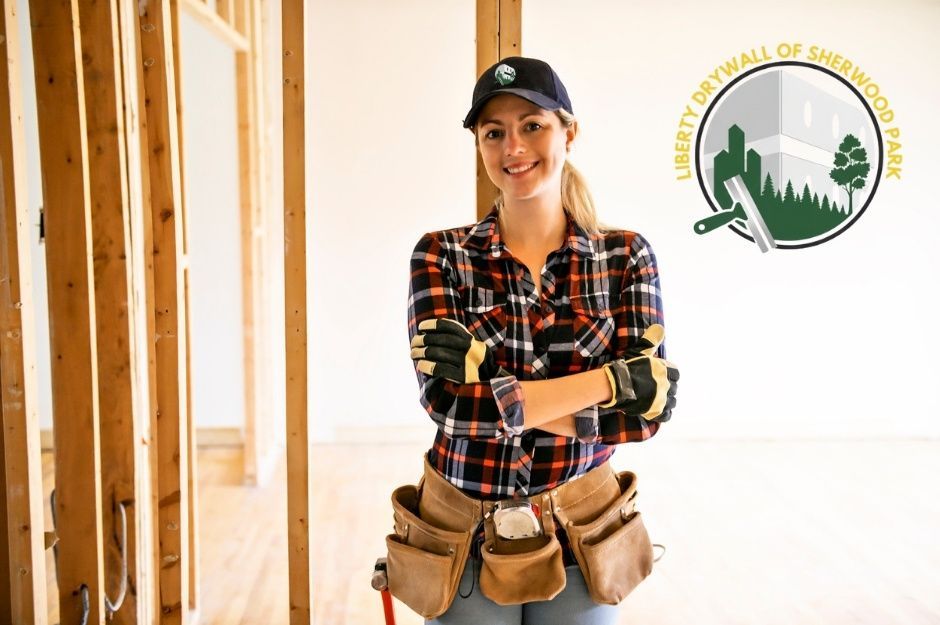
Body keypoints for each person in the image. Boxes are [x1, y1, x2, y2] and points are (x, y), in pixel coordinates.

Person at [403, 56, 679, 625]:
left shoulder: (625, 256)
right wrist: (607, 382)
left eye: (533, 125)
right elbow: (448, 404)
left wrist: (494, 389)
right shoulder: (441, 255)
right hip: (463, 527)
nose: (513, 147)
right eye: (494, 132)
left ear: (568, 132)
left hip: (583, 530)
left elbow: (643, 418)